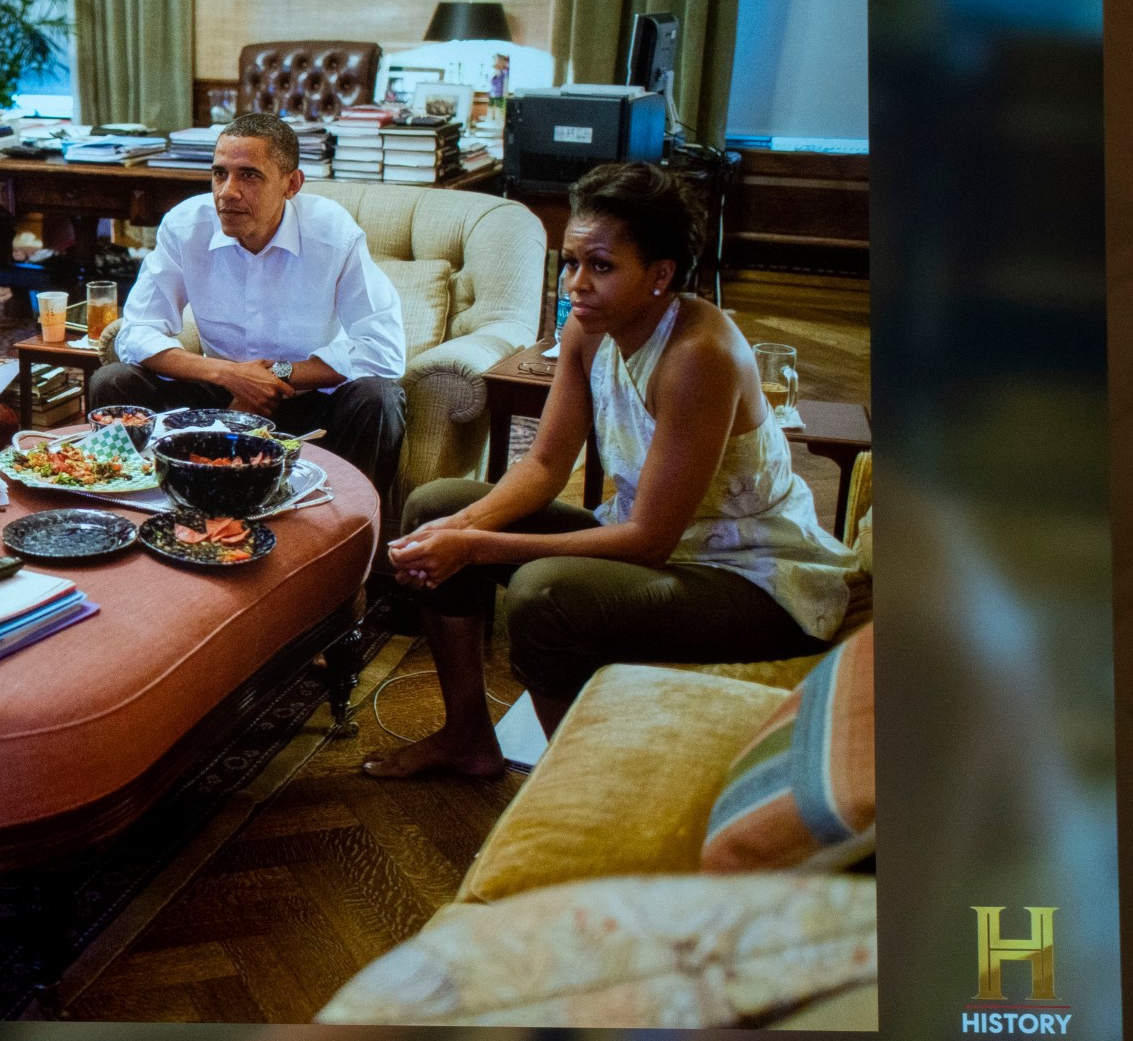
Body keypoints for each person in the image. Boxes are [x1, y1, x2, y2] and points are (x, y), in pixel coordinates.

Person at [362, 161, 856, 780]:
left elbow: (650, 541)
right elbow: (543, 466)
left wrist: (475, 545)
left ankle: (575, 788)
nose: (576, 284)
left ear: (660, 275)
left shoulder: (699, 355)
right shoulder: (586, 330)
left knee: (543, 594)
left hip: (750, 579)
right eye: (569, 263)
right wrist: (453, 529)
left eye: (600, 266)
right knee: (432, 506)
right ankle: (467, 736)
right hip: (665, 555)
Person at [87, 112, 407, 497]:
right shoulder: (186, 226)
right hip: (218, 392)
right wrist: (227, 375)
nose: (227, 191)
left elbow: (384, 350)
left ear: (291, 184)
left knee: (380, 398)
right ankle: (126, 505)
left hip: (307, 398)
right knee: (113, 380)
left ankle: (357, 528)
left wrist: (279, 376)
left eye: (249, 175)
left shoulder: (333, 233)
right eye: (220, 173)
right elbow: (136, 333)